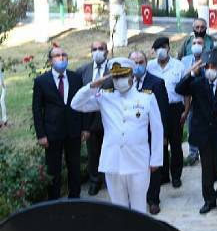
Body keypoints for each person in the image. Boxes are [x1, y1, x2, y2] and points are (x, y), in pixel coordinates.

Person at [71, 58, 163, 213]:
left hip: (138, 162)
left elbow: (157, 129)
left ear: (132, 76)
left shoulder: (146, 98)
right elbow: (76, 104)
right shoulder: (105, 97)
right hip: (113, 162)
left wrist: (156, 159)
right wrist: (92, 86)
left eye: (122, 76)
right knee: (118, 210)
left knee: (139, 208)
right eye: (115, 77)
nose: (118, 80)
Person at [176, 50, 217, 214]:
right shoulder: (197, 83)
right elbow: (180, 89)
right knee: (207, 169)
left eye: (213, 66)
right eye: (207, 66)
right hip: (203, 133)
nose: (210, 69)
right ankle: (208, 199)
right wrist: (191, 73)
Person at [32, 46, 87, 200]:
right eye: (57, 55)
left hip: (73, 130)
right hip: (52, 133)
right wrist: (41, 134)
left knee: (74, 166)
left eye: (64, 54)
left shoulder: (76, 78)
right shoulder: (41, 81)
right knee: (53, 169)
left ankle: (75, 197)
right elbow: (37, 110)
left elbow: (82, 103)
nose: (61, 58)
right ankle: (54, 201)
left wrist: (85, 128)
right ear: (50, 61)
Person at [129, 50, 169, 215]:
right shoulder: (125, 83)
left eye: (140, 62)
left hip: (151, 132)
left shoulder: (156, 82)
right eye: (134, 63)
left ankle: (153, 200)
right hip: (133, 133)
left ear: (146, 63)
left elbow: (163, 110)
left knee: (153, 167)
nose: (137, 66)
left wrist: (163, 135)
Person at [146, 37, 186, 188]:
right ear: (154, 51)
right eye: (157, 48)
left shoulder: (178, 66)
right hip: (155, 108)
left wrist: (186, 111)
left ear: (169, 48)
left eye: (163, 47)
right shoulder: (150, 66)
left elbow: (186, 90)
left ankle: (176, 175)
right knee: (159, 142)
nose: (161, 50)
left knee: (176, 144)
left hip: (175, 108)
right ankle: (163, 175)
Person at [75, 40, 110, 196]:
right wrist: (84, 127)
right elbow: (79, 100)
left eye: (100, 49)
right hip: (90, 122)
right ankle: (95, 181)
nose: (97, 51)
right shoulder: (82, 71)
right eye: (94, 49)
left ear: (107, 51)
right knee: (93, 153)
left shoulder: (114, 70)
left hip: (110, 120)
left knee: (111, 152)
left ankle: (110, 181)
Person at [181, 35, 206, 166]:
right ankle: (193, 152)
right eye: (194, 42)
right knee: (192, 125)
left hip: (203, 97)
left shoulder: (208, 58)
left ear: (204, 45)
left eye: (199, 43)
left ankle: (204, 151)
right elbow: (183, 77)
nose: (196, 45)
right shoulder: (185, 60)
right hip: (189, 96)